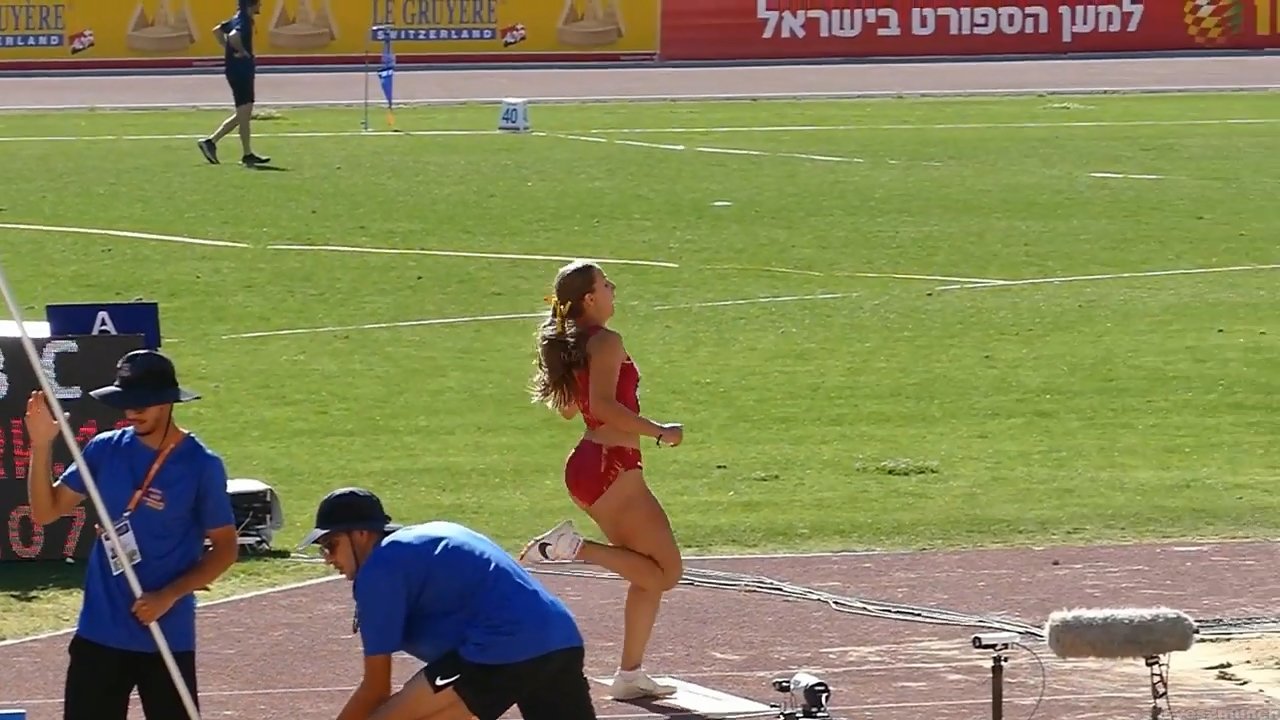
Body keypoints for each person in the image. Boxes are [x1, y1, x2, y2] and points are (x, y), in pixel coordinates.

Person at [23, 349, 240, 720]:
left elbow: (225, 549)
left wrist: (169, 595)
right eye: (126, 402)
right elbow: (46, 512)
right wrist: (41, 445)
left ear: (169, 401)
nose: (131, 411)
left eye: (143, 403)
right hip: (99, 633)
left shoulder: (202, 465)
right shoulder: (105, 449)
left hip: (167, 636)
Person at [518, 259, 685, 701]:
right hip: (611, 465)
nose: (613, 288)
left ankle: (630, 674)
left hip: (593, 465)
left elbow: (573, 408)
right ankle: (570, 548)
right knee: (666, 572)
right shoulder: (606, 341)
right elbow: (605, 407)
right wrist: (660, 431)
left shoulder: (578, 343)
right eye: (606, 284)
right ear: (590, 299)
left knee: (648, 574)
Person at [298, 487, 598, 720]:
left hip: (498, 650)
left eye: (331, 545)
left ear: (361, 534)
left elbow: (376, 689)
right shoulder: (423, 540)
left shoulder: (379, 570)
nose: (329, 559)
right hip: (562, 639)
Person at [197, 0, 270, 167]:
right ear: (251, 5)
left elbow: (217, 31)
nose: (260, 6)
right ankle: (245, 153)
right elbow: (233, 36)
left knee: (244, 113)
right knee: (244, 113)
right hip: (241, 71)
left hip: (237, 70)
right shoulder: (244, 21)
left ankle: (212, 142)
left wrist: (228, 49)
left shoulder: (237, 18)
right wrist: (240, 51)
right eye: (258, 3)